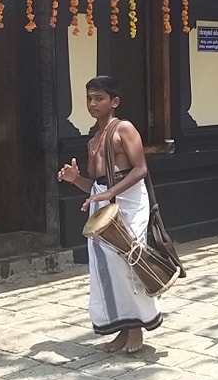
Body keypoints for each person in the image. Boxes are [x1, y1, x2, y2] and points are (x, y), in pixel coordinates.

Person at [57, 75, 162, 353]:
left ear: (114, 102)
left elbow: (140, 169)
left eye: (99, 98)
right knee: (106, 270)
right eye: (89, 98)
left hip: (129, 202)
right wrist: (74, 178)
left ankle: (138, 327)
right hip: (104, 206)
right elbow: (94, 185)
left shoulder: (123, 129)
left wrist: (107, 193)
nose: (93, 103)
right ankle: (121, 328)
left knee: (129, 262)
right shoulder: (93, 141)